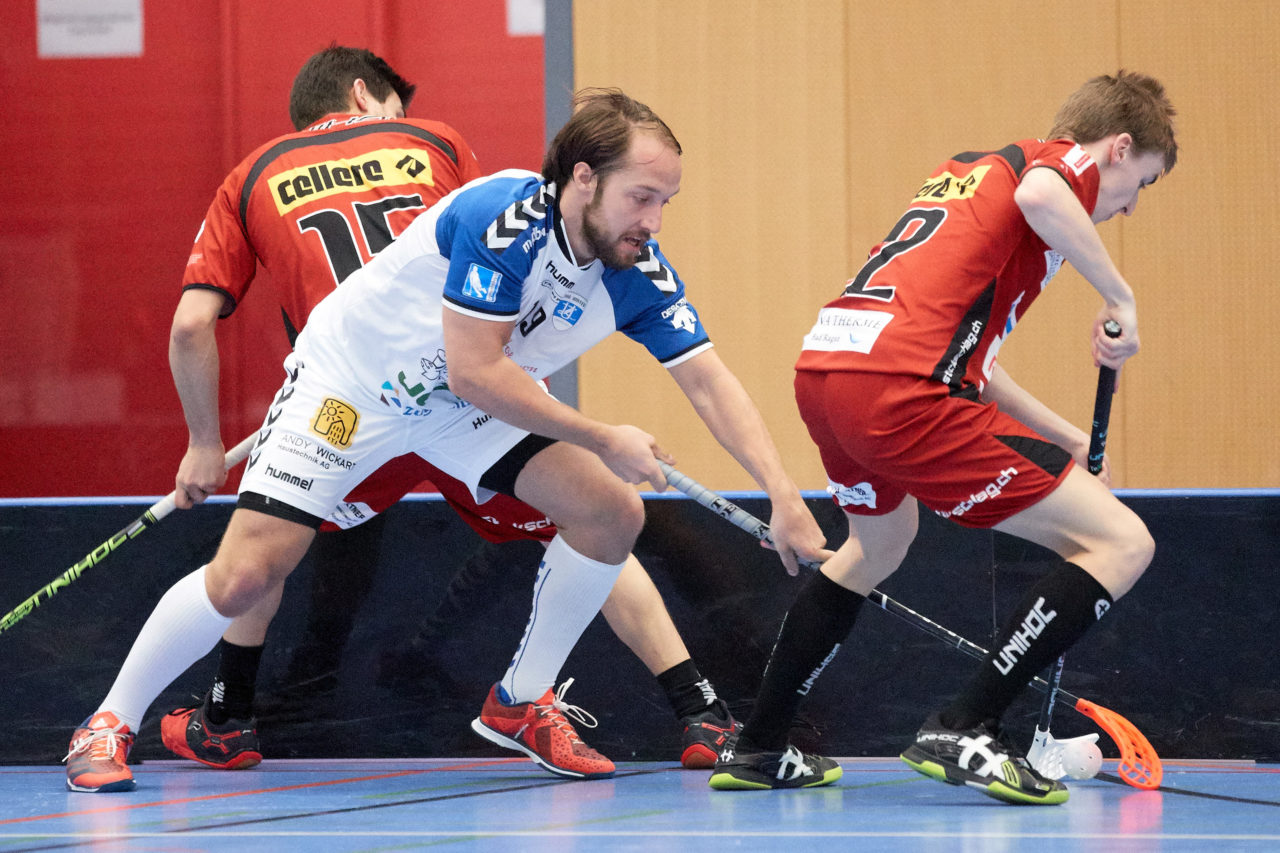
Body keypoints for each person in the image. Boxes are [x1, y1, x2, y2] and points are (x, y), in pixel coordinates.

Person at [64, 84, 830, 793]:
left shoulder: (635, 269)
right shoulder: (504, 217)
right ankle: (107, 722)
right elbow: (474, 371)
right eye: (642, 197)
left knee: (610, 511)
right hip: (352, 388)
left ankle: (519, 701)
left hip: (454, 404)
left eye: (665, 201)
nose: (654, 221)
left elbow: (708, 380)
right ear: (585, 178)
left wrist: (786, 497)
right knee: (245, 577)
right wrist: (604, 435)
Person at [708, 71, 1176, 803]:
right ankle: (968, 722)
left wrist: (1065, 440)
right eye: (1139, 183)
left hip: (832, 377)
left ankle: (760, 744)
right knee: (1124, 541)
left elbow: (974, 368)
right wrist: (1120, 295)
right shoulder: (1056, 172)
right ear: (1117, 148)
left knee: (879, 542)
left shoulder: (971, 174)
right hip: (900, 392)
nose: (1128, 207)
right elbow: (1046, 196)